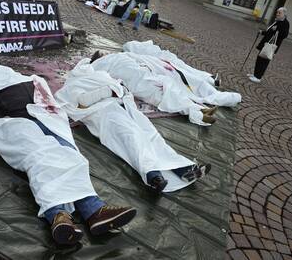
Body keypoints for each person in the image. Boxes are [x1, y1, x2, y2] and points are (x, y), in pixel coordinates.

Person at [0, 64, 136, 246]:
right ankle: (60, 214)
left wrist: (51, 116)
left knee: (71, 156)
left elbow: (48, 101)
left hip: (46, 120)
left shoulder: (31, 80)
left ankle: (93, 211)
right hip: (18, 124)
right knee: (40, 158)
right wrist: (5, 126)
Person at [55, 59, 211, 194]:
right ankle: (153, 176)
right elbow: (82, 103)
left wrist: (119, 90)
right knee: (132, 139)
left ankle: (184, 169)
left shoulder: (101, 76)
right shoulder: (72, 85)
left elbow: (120, 89)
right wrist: (110, 91)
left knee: (152, 138)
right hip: (105, 114)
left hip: (125, 109)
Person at [89, 40, 242, 126]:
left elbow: (137, 58)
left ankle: (199, 108)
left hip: (144, 71)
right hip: (136, 77)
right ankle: (196, 110)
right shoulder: (103, 64)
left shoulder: (120, 56)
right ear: (100, 57)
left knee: (170, 85)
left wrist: (148, 66)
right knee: (159, 91)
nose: (107, 53)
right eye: (104, 53)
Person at [248, 7, 290, 83]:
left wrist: (277, 30)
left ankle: (258, 77)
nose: (277, 14)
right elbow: (269, 32)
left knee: (264, 61)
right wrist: (262, 32)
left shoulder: (285, 23)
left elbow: (284, 35)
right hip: (265, 43)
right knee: (259, 59)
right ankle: (255, 74)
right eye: (277, 12)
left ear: (284, 14)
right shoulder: (277, 21)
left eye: (279, 13)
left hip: (271, 46)